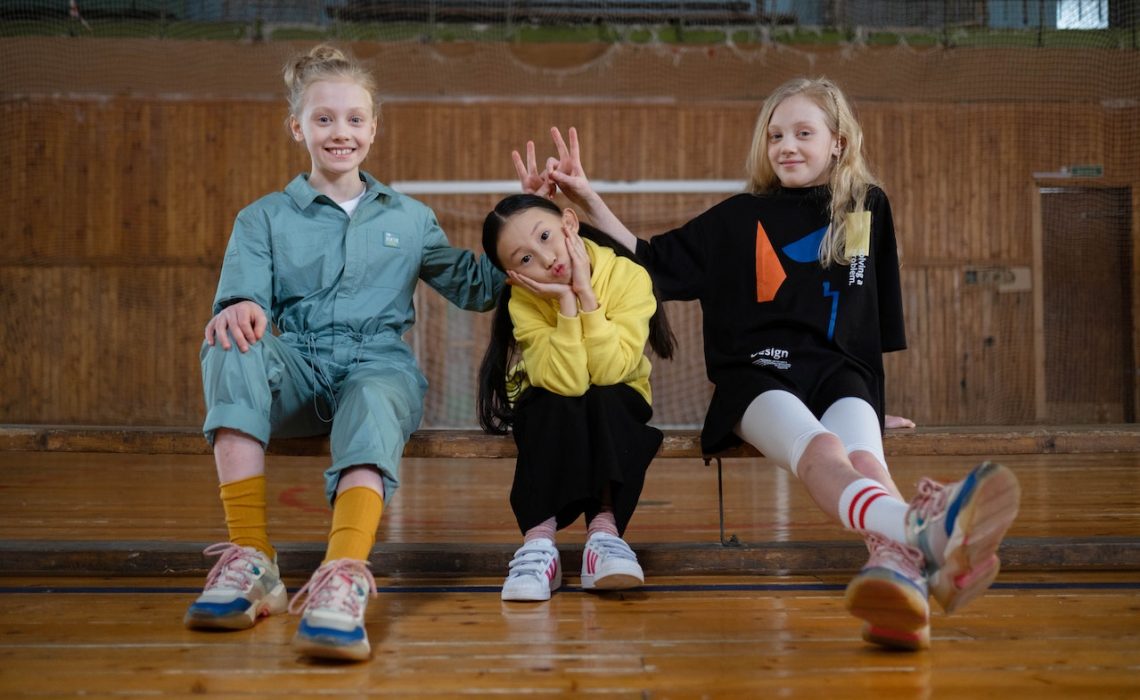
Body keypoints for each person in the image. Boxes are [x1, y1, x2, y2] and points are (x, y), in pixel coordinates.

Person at [514, 77, 1020, 650]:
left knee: (865, 455)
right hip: (758, 376)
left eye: (804, 133)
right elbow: (652, 261)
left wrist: (872, 402)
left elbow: (865, 312)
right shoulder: (738, 217)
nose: (787, 146)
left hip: (838, 372)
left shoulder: (864, 206)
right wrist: (583, 201)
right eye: (776, 134)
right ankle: (921, 533)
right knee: (826, 451)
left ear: (839, 142)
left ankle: (898, 590)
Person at [183, 45, 503, 662]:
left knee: (377, 396)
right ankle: (254, 562)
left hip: (375, 367)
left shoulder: (411, 219)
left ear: (374, 129)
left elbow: (478, 287)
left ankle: (342, 576)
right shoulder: (262, 219)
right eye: (324, 118)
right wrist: (242, 306)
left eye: (355, 119)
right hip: (296, 369)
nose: (340, 132)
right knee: (228, 341)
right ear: (297, 127)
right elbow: (243, 295)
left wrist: (532, 222)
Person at [477, 193, 675, 602]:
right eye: (525, 259)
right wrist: (566, 303)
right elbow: (564, 382)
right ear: (513, 276)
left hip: (618, 398)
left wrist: (586, 294)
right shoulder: (524, 301)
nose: (547, 259)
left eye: (546, 236)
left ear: (570, 222)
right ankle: (538, 543)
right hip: (551, 404)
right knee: (548, 402)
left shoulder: (627, 276)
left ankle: (603, 538)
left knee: (607, 397)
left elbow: (612, 370)